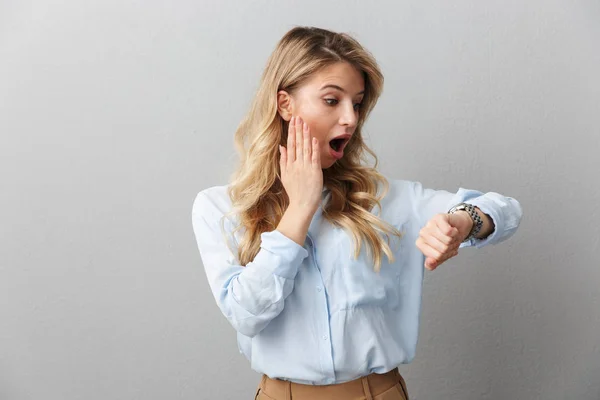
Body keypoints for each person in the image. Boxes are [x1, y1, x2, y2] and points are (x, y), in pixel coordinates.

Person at [191, 26, 523, 400]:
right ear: (285, 104)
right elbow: (247, 315)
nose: (350, 118)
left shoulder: (385, 199)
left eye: (358, 102)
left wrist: (463, 222)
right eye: (332, 100)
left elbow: (504, 209)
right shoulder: (221, 207)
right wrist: (300, 209)